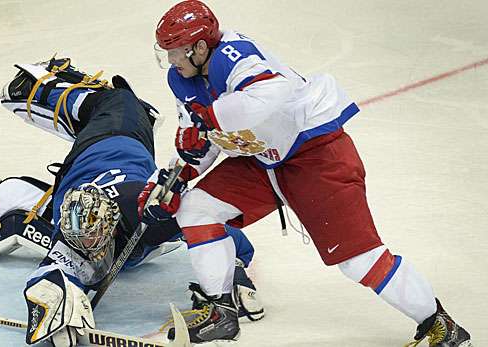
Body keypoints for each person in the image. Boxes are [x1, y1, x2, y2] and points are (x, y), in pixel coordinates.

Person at [141, 1, 473, 346]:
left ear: (199, 48)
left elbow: (270, 93)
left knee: (358, 260)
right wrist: (172, 180)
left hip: (315, 154)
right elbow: (197, 139)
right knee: (195, 207)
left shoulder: (235, 56)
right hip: (262, 160)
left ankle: (440, 325)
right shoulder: (182, 77)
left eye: (176, 52)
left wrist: (209, 121)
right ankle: (221, 311)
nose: (171, 61)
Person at [0, 57, 264, 346]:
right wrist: (55, 305)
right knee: (79, 241)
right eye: (82, 241)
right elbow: (47, 273)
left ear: (112, 223)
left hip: (119, 136)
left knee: (122, 100)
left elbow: (210, 225)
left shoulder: (143, 213)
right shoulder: (74, 233)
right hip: (80, 177)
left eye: (93, 239)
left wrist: (236, 270)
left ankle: (48, 86)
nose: (87, 248)